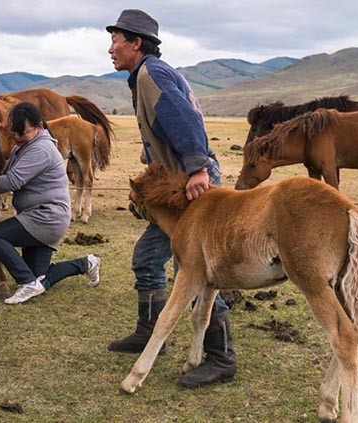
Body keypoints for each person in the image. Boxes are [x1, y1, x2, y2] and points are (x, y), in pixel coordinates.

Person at [105, 9, 237, 387]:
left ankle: (221, 356)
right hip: (175, 186)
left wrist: (197, 167)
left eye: (117, 40)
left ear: (136, 44)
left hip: (191, 186)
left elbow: (184, 120)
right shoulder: (144, 76)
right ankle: (151, 334)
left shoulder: (151, 74)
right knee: (148, 257)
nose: (111, 48)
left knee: (194, 272)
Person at [0, 102, 101, 305]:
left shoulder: (40, 149)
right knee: (39, 277)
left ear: (39, 127)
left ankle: (26, 282)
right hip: (41, 217)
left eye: (22, 132)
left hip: (44, 218)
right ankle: (86, 263)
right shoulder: (25, 146)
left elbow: (12, 181)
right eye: (14, 132)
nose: (16, 137)